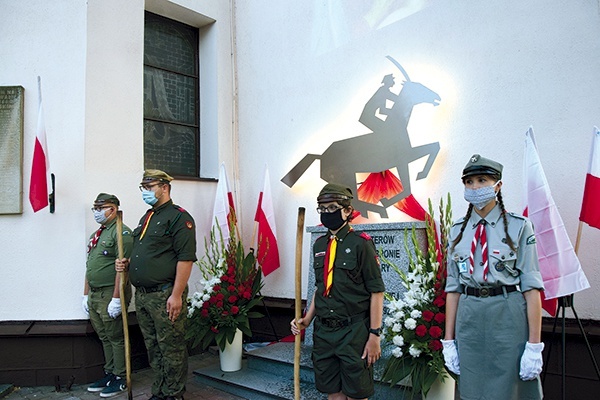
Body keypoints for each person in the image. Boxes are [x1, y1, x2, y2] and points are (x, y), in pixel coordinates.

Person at [442, 154, 545, 400]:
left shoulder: (519, 226)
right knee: (471, 390)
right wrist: (448, 341)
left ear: (498, 185)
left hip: (507, 315)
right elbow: (453, 288)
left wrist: (534, 345)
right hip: (469, 318)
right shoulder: (457, 231)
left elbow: (531, 288)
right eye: (469, 182)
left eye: (482, 180)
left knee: (509, 390)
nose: (475, 187)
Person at [290, 183, 385, 400]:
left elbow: (377, 292)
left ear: (348, 210)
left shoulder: (361, 244)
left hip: (353, 333)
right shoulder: (319, 244)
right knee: (333, 393)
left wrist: (374, 335)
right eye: (322, 209)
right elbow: (320, 288)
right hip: (324, 333)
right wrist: (306, 319)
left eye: (332, 208)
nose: (327, 213)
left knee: (356, 394)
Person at [115, 170, 197, 400]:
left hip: (165, 295)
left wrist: (177, 295)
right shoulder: (147, 217)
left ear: (164, 187)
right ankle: (159, 391)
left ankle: (173, 394)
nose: (146, 191)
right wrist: (127, 263)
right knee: (153, 347)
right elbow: (148, 253)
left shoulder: (179, 217)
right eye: (143, 187)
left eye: (149, 186)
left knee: (171, 347)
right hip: (143, 296)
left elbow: (186, 258)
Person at [82, 193, 133, 398]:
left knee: (115, 336)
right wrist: (85, 294)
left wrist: (116, 298)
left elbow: (124, 269)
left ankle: (121, 377)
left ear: (112, 209)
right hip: (95, 294)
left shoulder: (122, 234)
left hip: (109, 293)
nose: (96, 212)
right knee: (104, 336)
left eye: (100, 208)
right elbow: (90, 266)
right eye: (95, 208)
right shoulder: (99, 234)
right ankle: (110, 372)